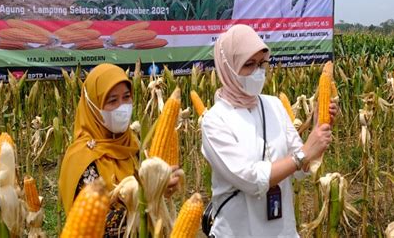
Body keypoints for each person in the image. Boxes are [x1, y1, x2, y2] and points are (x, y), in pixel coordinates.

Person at [201, 24, 336, 237]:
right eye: (249, 65)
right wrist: (303, 154)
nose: (258, 72)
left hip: (282, 231)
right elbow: (250, 180)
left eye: (262, 64)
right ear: (228, 67)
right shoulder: (215, 120)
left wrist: (320, 129)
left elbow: (302, 169)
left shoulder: (273, 105)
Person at [59, 63, 179, 237]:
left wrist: (162, 190)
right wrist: (149, 195)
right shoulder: (82, 159)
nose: (122, 106)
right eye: (112, 100)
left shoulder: (133, 145)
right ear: (92, 106)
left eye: (126, 97)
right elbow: (99, 224)